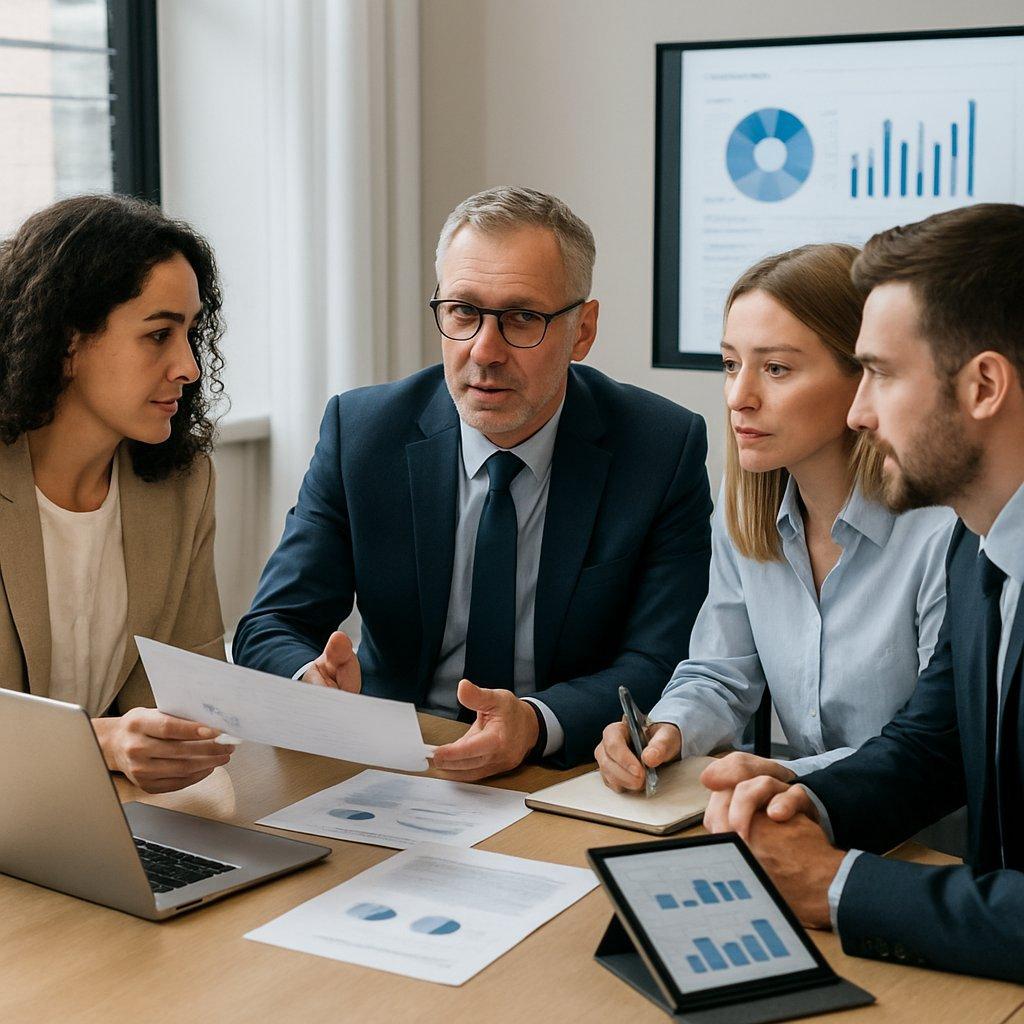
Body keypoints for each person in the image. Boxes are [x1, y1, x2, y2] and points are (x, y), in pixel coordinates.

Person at [233, 186, 713, 777]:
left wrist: (536, 724)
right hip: (397, 760)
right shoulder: (363, 433)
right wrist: (313, 684)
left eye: (521, 318)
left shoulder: (660, 447)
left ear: (582, 331)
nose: (484, 351)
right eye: (463, 312)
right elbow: (271, 623)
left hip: (566, 768)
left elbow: (665, 657)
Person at [701, 203, 1024, 984]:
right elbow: (930, 747)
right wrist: (803, 807)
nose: (858, 412)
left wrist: (837, 883)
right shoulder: (983, 547)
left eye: (879, 373)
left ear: (983, 385)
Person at [595, 244, 953, 797]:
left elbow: (938, 746)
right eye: (731, 364)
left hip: (926, 843)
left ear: (863, 377)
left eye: (776, 368)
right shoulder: (746, 511)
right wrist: (666, 730)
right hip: (797, 819)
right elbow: (720, 674)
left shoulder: (941, 529)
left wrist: (786, 774)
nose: (739, 397)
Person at [0, 194, 235, 795]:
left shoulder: (182, 486)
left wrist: (177, 742)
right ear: (68, 341)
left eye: (191, 333)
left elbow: (190, 698)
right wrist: (101, 742)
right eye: (159, 334)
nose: (189, 366)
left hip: (100, 818)